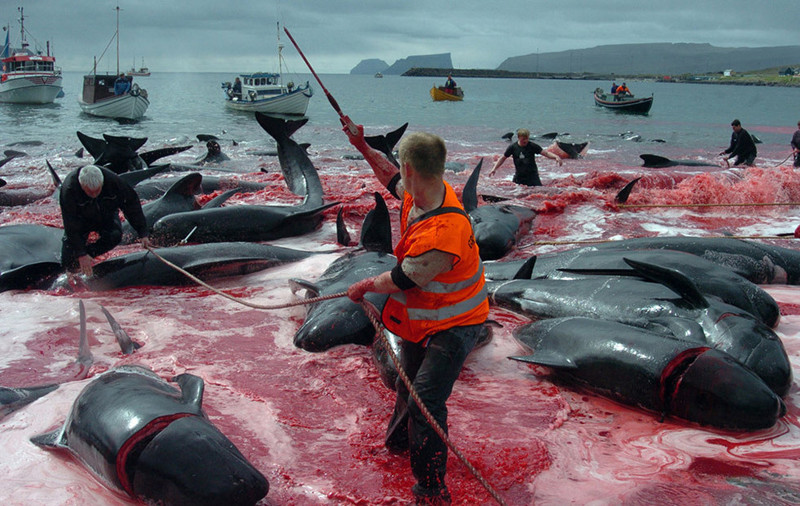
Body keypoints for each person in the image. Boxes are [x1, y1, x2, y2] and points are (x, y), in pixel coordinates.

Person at [342, 118, 489, 505]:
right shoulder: (423, 190)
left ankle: (431, 490)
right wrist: (361, 146)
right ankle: (398, 447)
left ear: (413, 170)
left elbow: (407, 278)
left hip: (458, 323)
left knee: (426, 400)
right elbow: (388, 176)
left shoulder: (444, 231)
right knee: (407, 384)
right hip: (425, 316)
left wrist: (363, 286)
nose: (399, 177)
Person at [59, 165, 151, 277]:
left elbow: (132, 205)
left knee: (115, 236)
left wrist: (143, 232)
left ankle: (89, 255)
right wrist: (80, 253)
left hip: (106, 214)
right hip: (81, 219)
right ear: (82, 186)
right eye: (89, 192)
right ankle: (74, 265)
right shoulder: (69, 190)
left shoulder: (114, 182)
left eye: (97, 191)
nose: (93, 195)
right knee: (69, 256)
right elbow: (70, 224)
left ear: (102, 183)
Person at [488, 127, 563, 186]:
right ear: (518, 137)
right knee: (516, 195)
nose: (526, 141)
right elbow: (503, 158)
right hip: (519, 176)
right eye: (523, 139)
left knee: (538, 194)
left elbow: (546, 153)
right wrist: (494, 169)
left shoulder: (532, 146)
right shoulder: (513, 147)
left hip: (533, 176)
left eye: (527, 138)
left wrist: (556, 157)